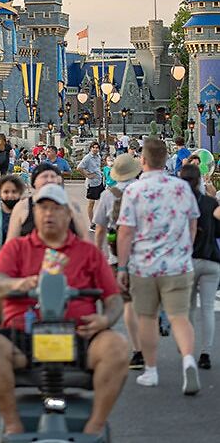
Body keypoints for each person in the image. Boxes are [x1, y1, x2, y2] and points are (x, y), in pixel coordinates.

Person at [0, 183, 128, 439]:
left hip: (80, 336)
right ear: (34, 213)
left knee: (117, 347)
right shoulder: (16, 248)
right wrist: (21, 283)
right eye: (43, 208)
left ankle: (95, 427)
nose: (48, 214)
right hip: (22, 337)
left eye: (55, 208)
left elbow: (113, 299)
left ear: (68, 214)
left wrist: (104, 319)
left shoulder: (88, 252)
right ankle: (13, 426)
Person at [116, 136, 201, 393]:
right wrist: (184, 248)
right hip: (177, 264)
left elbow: (125, 232)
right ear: (166, 160)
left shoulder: (134, 190)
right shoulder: (181, 188)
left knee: (147, 318)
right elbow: (193, 224)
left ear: (142, 161)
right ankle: (188, 359)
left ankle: (151, 370)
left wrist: (122, 266)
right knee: (179, 317)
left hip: (145, 265)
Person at [93, 153, 144, 370]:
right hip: (147, 252)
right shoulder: (144, 191)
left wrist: (98, 254)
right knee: (149, 299)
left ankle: (138, 350)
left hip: (117, 255)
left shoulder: (108, 195)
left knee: (129, 303)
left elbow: (100, 229)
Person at [179, 163, 220, 370]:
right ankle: (206, 353)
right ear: (199, 180)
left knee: (188, 308)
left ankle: (188, 351)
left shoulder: (179, 203)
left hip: (188, 261)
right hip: (212, 259)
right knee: (207, 309)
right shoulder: (211, 203)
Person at [6, 161, 89, 240]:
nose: (49, 180)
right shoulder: (23, 206)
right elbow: (11, 242)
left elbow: (84, 237)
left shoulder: (71, 204)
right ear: (34, 182)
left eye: (53, 176)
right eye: (44, 176)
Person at [0, 174, 25, 247]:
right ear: (0, 193)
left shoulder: (27, 212)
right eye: (6, 192)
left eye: (14, 192)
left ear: (20, 193)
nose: (10, 195)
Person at [77, 142, 104, 227]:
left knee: (104, 200)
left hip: (99, 181)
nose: (95, 149)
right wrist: (87, 175)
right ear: (90, 148)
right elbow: (79, 168)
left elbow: (97, 167)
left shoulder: (98, 156)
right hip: (92, 183)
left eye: (97, 147)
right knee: (91, 203)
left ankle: (101, 220)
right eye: (94, 147)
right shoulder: (87, 158)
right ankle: (92, 223)